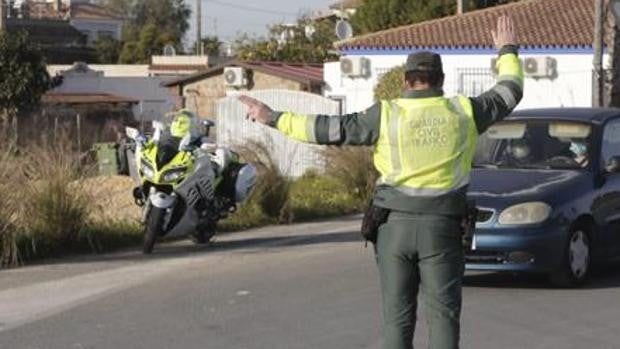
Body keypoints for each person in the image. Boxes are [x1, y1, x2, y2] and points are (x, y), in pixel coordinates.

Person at [240, 16, 523, 349]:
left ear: (406, 80)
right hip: (443, 228)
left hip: (393, 229)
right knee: (443, 317)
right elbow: (510, 91)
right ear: (440, 80)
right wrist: (507, 50)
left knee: (397, 319)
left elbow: (330, 129)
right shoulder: (464, 110)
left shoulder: (387, 113)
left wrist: (272, 117)